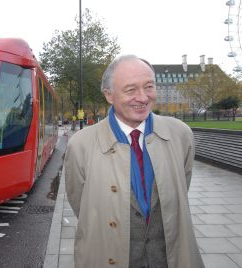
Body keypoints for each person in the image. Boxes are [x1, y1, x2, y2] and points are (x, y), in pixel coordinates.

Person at [64, 55, 204, 268]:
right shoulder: (80, 145)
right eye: (130, 90)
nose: (143, 97)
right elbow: (81, 206)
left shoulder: (181, 135)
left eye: (149, 86)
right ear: (109, 95)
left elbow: (181, 187)